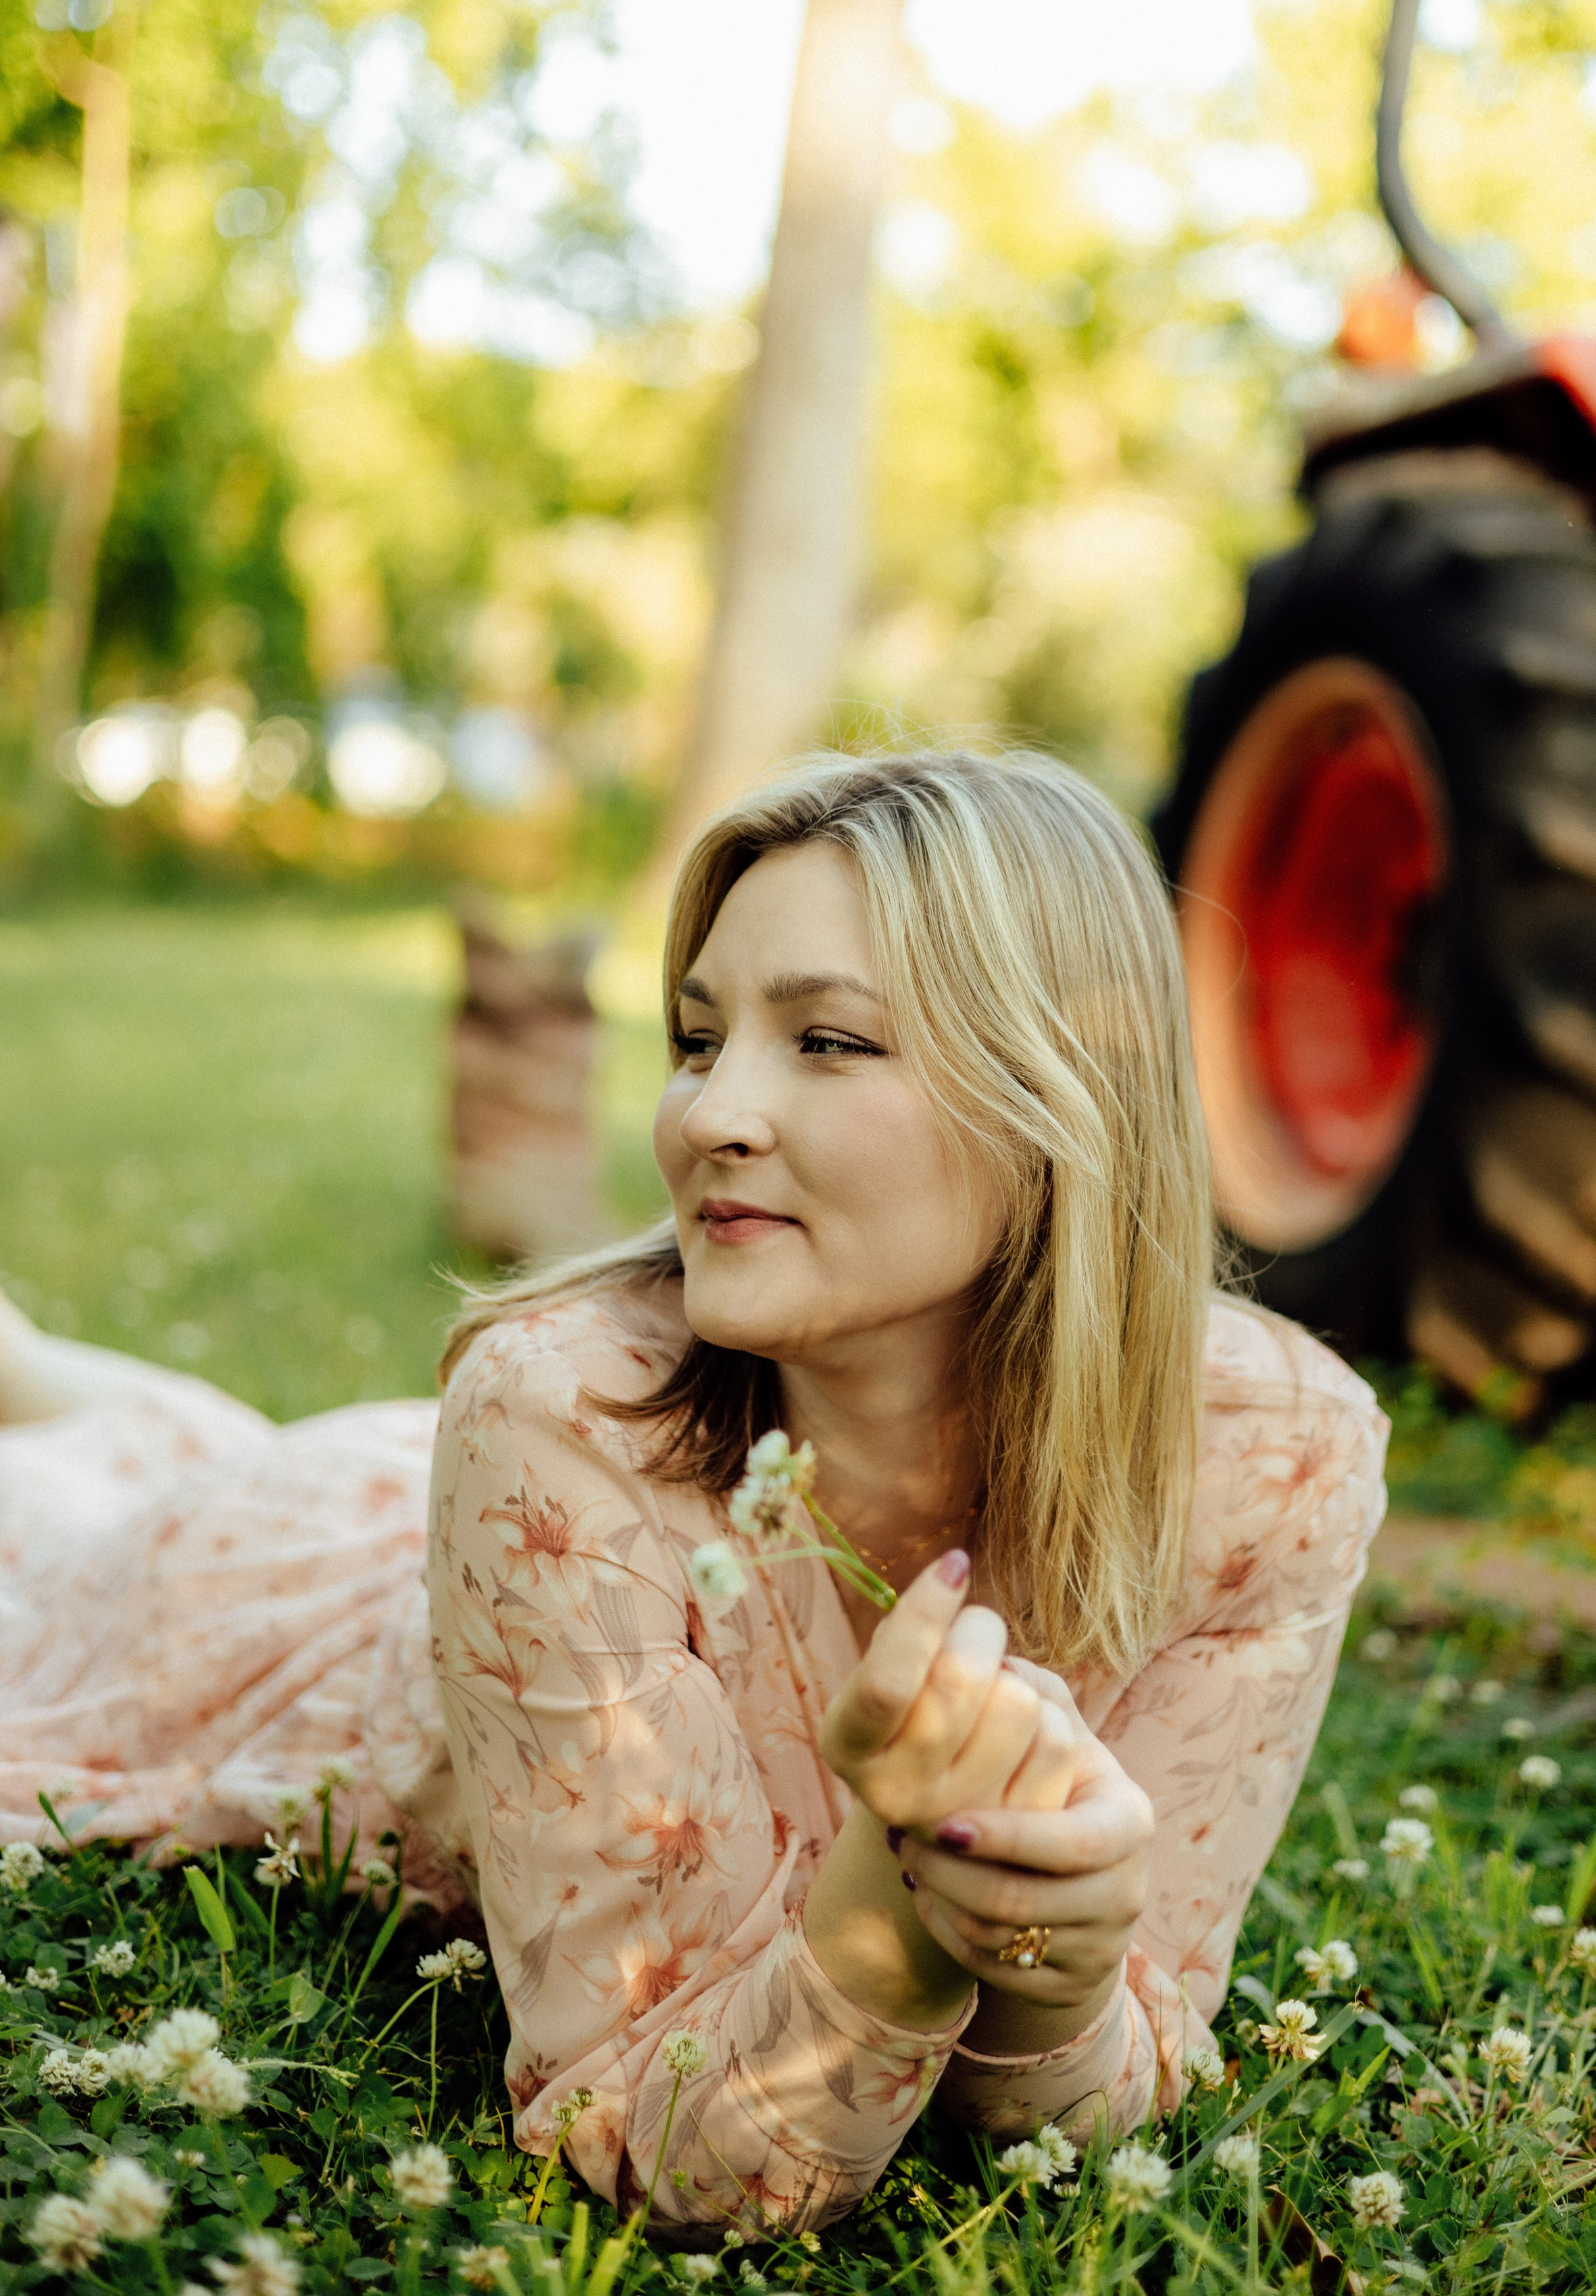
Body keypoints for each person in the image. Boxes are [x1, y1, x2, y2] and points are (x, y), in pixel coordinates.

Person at [0, 747, 1387, 2241]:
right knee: (77, 1526)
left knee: (177, 1436)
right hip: (299, 1609)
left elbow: (1099, 2082)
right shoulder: (554, 1411)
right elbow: (681, 2148)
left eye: (831, 1042)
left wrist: (1059, 1984)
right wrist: (900, 1902)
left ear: (1059, 1091)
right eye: (694, 1036)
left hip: (450, 1505)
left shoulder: (1274, 1453)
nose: (706, 1115)